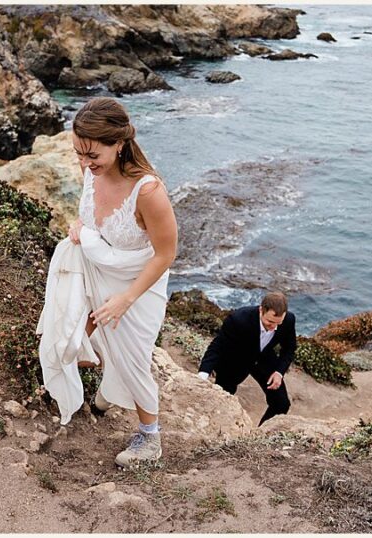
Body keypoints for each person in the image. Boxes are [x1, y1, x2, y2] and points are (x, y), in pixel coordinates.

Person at [37, 96, 178, 468]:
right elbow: (93, 214)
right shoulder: (91, 170)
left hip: (138, 283)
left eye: (92, 155)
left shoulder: (148, 191)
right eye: (79, 153)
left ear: (119, 144)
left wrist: (126, 299)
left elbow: (166, 254)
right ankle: (90, 390)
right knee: (76, 329)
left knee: (132, 356)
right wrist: (80, 227)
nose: (85, 163)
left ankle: (150, 438)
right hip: (96, 266)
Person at [197, 292, 298, 426]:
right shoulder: (238, 319)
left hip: (264, 358)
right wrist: (203, 374)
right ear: (261, 310)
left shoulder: (289, 320)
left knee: (281, 404)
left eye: (278, 323)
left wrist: (279, 372)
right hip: (235, 359)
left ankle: (260, 434)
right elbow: (217, 346)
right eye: (270, 322)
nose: (273, 327)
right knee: (222, 399)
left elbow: (289, 348)